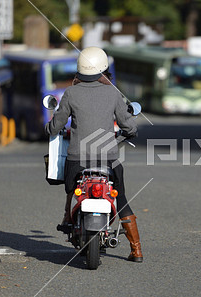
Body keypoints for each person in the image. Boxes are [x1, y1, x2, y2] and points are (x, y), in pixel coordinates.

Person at [44, 47, 143, 263]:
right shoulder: (113, 93)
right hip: (108, 160)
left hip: (77, 160)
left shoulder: (70, 93)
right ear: (103, 67)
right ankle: (136, 251)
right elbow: (129, 126)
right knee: (122, 198)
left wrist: (49, 128)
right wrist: (128, 133)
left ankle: (68, 219)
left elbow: (55, 127)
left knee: (71, 188)